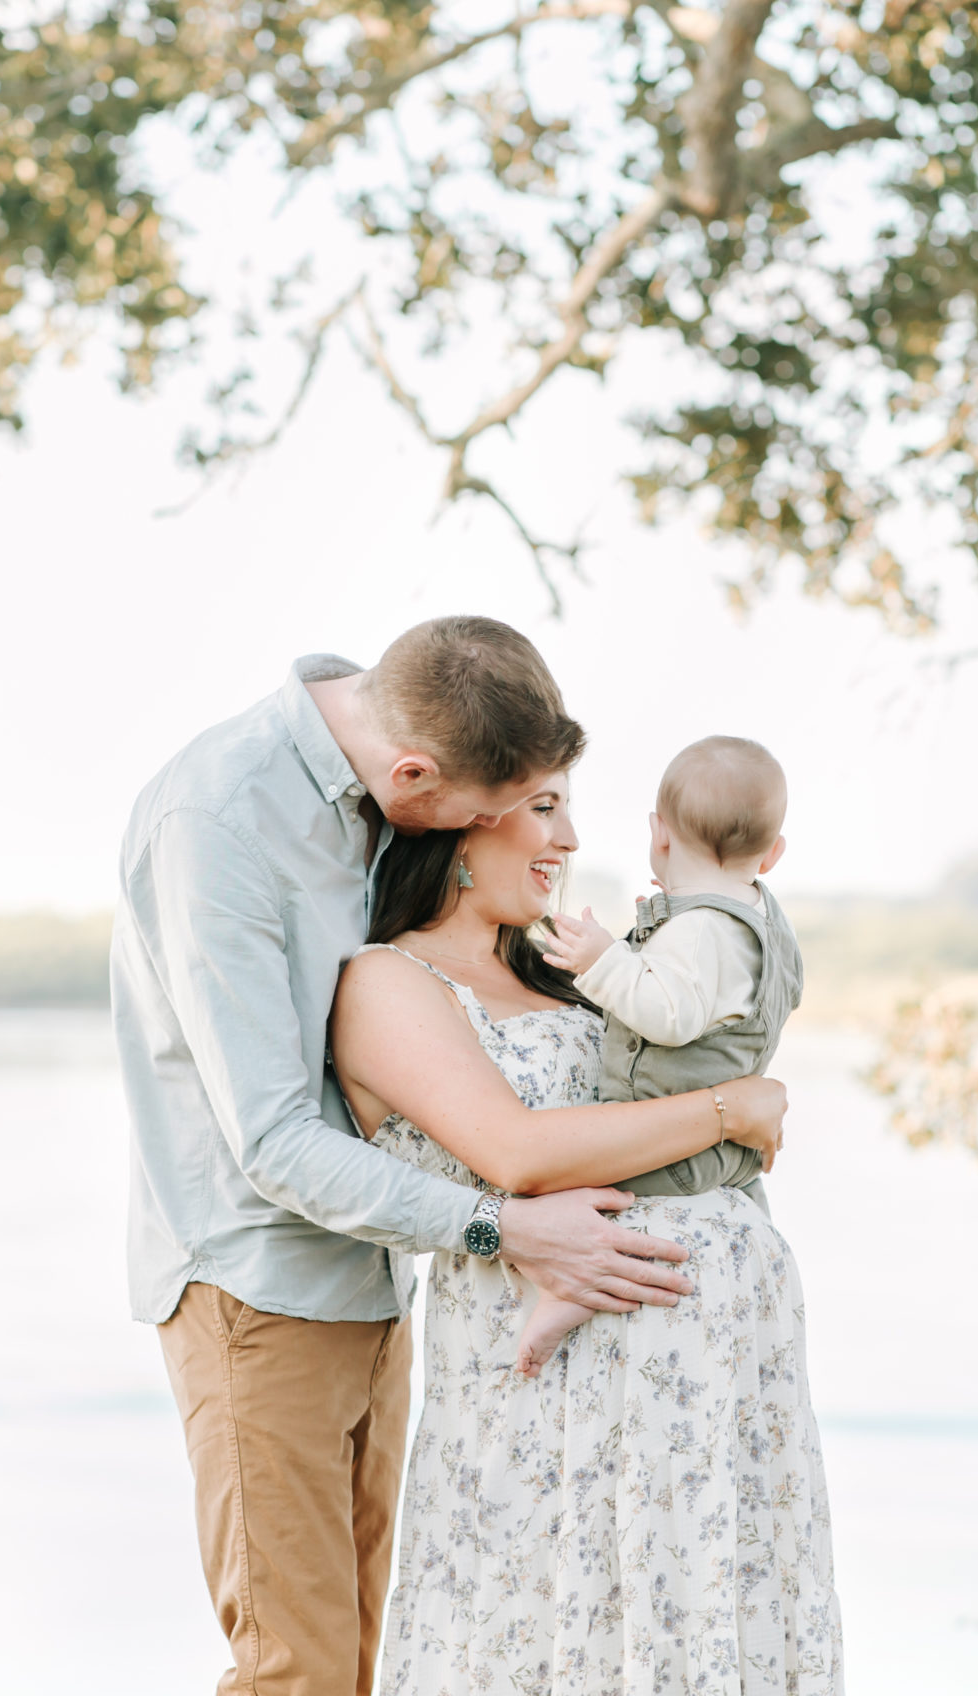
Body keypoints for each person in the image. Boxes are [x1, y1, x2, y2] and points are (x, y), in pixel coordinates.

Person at [114, 617, 789, 1696]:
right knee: (300, 1670)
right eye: (505, 810)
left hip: (378, 1272)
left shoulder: (389, 764)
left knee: (369, 1652)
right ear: (421, 782)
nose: (543, 835)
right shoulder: (220, 819)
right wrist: (507, 1224)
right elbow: (275, 1140)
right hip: (256, 1275)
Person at [330, 765, 841, 1696]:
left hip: (708, 1387)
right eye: (542, 807)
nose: (569, 839)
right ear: (455, 825)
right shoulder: (389, 981)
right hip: (545, 1402)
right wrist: (736, 1107)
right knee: (547, 1636)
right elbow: (520, 1153)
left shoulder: (567, 977)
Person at [519, 733, 802, 1376]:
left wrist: (602, 960)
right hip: (720, 1154)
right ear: (773, 852)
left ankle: (568, 1292)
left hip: (666, 1142)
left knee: (589, 1184)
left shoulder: (702, 929)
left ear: (661, 834)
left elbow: (666, 1016)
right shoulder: (760, 919)